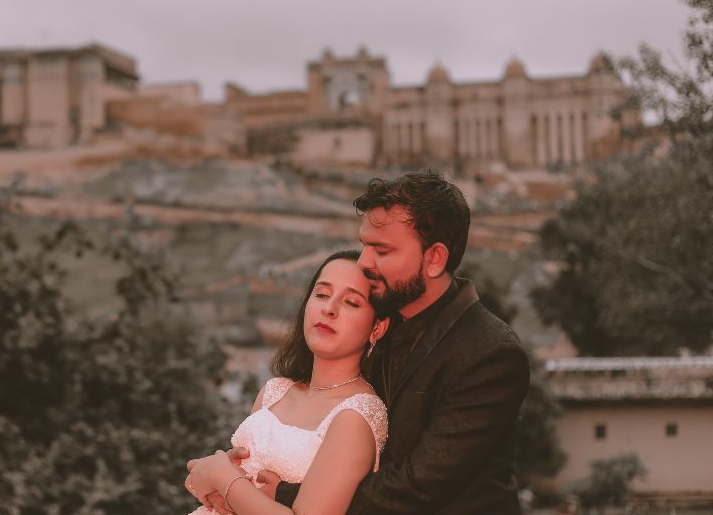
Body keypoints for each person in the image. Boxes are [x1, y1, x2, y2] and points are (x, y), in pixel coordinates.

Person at [198, 169, 531, 514]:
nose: (365, 262)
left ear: (434, 259)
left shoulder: (489, 352)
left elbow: (416, 487)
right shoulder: (374, 319)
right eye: (364, 245)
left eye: (381, 251)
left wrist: (275, 493)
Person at [184, 250, 391, 515]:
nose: (329, 309)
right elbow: (227, 493)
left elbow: (231, 485)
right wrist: (209, 482)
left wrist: (223, 477)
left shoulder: (357, 415)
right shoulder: (275, 391)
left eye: (351, 302)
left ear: (377, 328)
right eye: (322, 295)